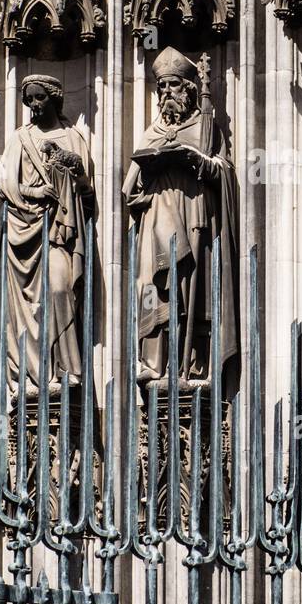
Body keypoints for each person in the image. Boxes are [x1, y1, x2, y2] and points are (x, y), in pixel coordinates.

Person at [124, 48, 237, 384]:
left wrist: (198, 161)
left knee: (189, 288)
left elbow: (224, 172)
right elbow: (129, 190)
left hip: (193, 217)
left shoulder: (205, 128)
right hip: (156, 218)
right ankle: (153, 361)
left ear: (189, 88)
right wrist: (150, 169)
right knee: (151, 286)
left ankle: (189, 363)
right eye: (161, 88)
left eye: (173, 86)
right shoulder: (152, 131)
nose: (166, 94)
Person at [0, 75, 94, 393]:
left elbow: (86, 190)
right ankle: (36, 376)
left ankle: (67, 369)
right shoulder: (19, 139)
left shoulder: (73, 137)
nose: (33, 106)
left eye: (39, 98)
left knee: (60, 287)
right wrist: (33, 192)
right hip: (25, 233)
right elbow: (3, 184)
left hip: (60, 233)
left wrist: (71, 174)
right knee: (29, 309)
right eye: (29, 100)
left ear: (54, 99)